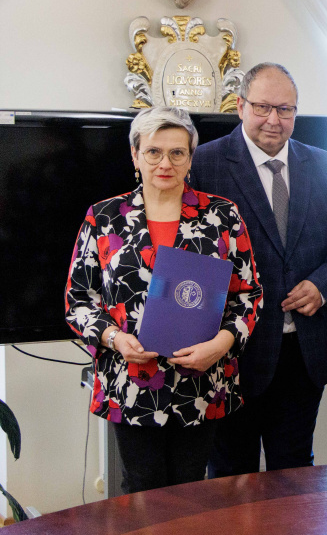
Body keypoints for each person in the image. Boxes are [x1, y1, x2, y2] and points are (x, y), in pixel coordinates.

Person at [64, 106, 262, 494]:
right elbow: (79, 300)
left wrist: (220, 346)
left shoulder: (222, 216)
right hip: (131, 381)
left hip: (203, 380)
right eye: (153, 151)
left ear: (191, 158)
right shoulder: (104, 218)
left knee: (192, 493)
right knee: (141, 490)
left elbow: (249, 295)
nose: (165, 163)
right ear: (135, 155)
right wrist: (114, 339)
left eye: (177, 153)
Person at [190, 62, 327, 475]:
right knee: (232, 476)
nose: (274, 120)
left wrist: (323, 285)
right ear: (240, 106)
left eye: (285, 109)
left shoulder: (324, 165)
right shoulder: (202, 165)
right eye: (263, 107)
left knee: (295, 471)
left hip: (304, 351)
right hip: (231, 351)